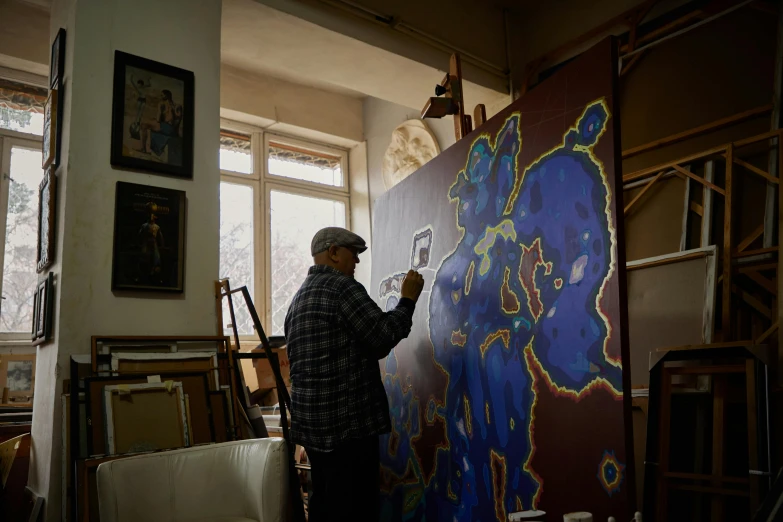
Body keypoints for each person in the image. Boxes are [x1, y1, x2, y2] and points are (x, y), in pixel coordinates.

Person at [285, 227, 424, 522]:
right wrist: (408, 300)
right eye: (353, 255)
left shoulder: (296, 301)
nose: (357, 263)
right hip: (347, 431)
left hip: (313, 430)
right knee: (355, 509)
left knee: (324, 504)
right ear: (334, 252)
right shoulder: (342, 289)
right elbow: (382, 336)